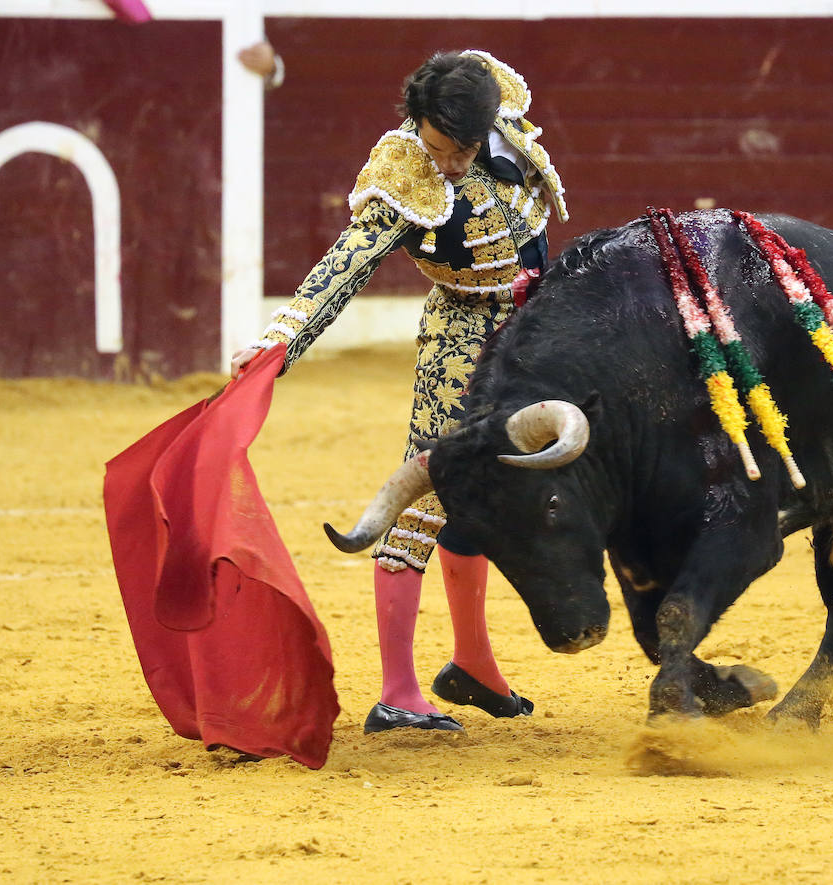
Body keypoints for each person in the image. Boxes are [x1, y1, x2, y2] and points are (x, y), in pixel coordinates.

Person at [230, 50, 568, 733]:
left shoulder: (500, 118)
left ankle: (473, 664)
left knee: (488, 497)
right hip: (460, 346)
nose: (449, 164)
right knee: (425, 496)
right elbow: (345, 265)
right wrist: (281, 341)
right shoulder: (404, 170)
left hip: (531, 336)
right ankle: (396, 691)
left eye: (462, 150)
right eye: (438, 148)